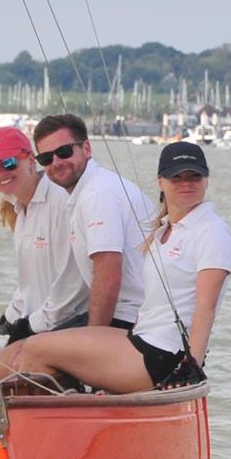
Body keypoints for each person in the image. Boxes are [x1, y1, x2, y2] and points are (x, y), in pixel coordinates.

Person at [11, 141, 231, 393]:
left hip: (164, 357)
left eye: (195, 176)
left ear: (206, 179)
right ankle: (78, 414)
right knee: (33, 346)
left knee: (35, 350)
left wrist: (192, 365)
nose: (186, 183)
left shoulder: (212, 231)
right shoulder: (163, 231)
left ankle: (48, 425)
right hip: (140, 339)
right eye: (177, 177)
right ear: (161, 182)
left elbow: (207, 307)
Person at [29, 113, 155, 329]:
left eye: (64, 152)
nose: (56, 162)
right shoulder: (90, 190)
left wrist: (93, 341)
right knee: (19, 352)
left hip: (136, 319)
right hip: (127, 314)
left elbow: (109, 277)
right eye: (46, 158)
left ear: (86, 149)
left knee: (29, 353)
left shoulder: (98, 194)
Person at [0, 127, 87, 345]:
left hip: (68, 328)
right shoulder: (19, 210)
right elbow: (30, 286)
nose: (1, 173)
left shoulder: (61, 201)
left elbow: (75, 282)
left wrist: (31, 326)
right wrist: (10, 317)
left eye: (8, 163)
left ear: (31, 160)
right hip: (42, 327)